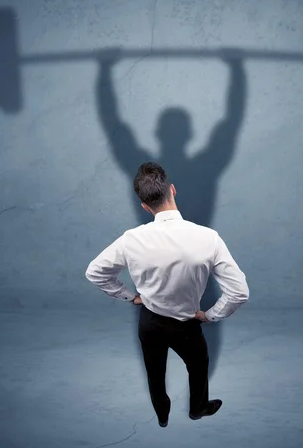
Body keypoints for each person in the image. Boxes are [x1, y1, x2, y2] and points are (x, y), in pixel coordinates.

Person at [85, 162, 250, 428]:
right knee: (198, 367)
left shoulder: (131, 239)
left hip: (149, 321)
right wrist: (210, 315)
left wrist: (130, 297)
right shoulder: (208, 238)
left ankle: (162, 414)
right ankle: (197, 409)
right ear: (172, 190)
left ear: (145, 206)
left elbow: (95, 272)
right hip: (187, 325)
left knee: (154, 372)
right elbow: (239, 292)